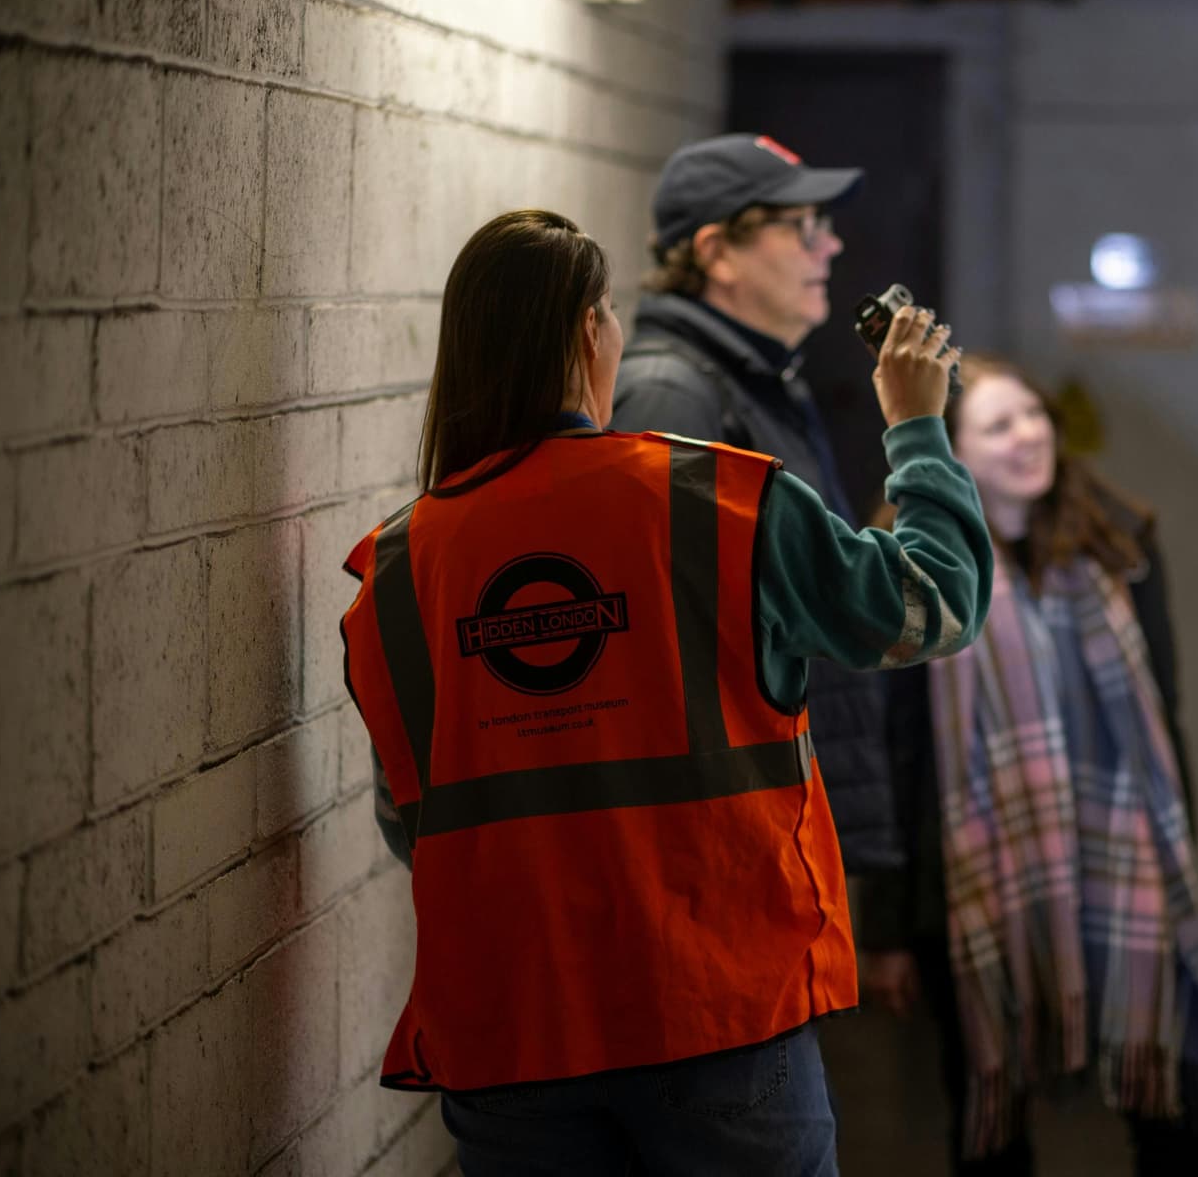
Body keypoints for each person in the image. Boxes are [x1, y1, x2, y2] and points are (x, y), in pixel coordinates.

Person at [339, 209, 989, 1176]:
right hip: (714, 1008)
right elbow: (932, 603)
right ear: (590, 335)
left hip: (512, 1033)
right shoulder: (718, 500)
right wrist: (919, 426)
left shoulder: (394, 573)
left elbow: (413, 824)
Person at [858, 356, 1198, 1176]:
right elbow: (898, 755)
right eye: (999, 425)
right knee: (989, 1122)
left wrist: (1180, 853)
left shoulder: (1121, 547)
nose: (1030, 436)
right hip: (979, 886)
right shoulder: (908, 575)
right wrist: (886, 927)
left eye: (1034, 416)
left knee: (1176, 1102)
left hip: (1124, 870)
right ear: (950, 454)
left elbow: (1164, 719)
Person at [609, 133, 913, 875]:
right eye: (804, 228)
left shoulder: (754, 381)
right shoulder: (672, 393)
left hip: (778, 822)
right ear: (716, 252)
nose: (831, 248)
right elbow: (665, 654)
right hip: (734, 843)